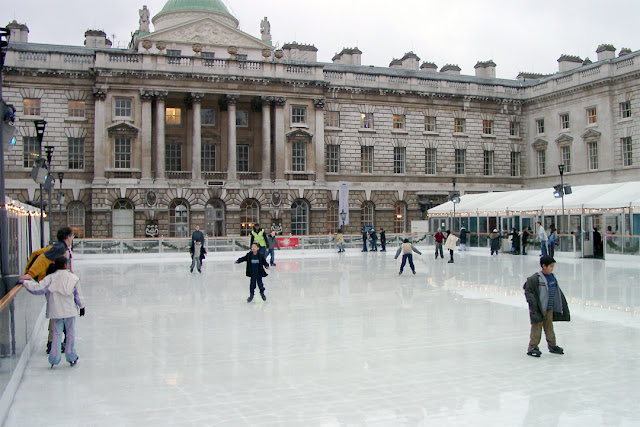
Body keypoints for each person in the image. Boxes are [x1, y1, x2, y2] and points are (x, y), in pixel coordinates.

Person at [21, 256, 85, 368]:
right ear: (65, 265)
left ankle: (54, 358)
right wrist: (82, 306)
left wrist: (25, 283)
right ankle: (71, 356)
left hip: (56, 312)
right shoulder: (73, 278)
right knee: (70, 334)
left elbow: (37, 288)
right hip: (69, 312)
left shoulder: (50, 278)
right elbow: (78, 295)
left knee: (56, 334)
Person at [21, 226, 75, 354]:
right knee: (62, 314)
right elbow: (42, 258)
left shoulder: (60, 247)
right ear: (67, 236)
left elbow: (37, 253)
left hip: (59, 285)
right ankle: (57, 343)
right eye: (72, 236)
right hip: (58, 286)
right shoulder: (60, 248)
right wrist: (30, 274)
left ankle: (53, 343)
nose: (73, 238)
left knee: (57, 314)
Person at [523, 255, 570, 357]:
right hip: (539, 308)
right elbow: (528, 290)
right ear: (544, 266)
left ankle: (552, 345)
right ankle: (533, 346)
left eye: (553, 266)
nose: (552, 269)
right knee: (537, 327)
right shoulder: (536, 278)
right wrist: (533, 305)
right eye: (551, 266)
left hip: (549, 308)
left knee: (549, 327)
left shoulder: (552, 277)